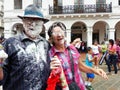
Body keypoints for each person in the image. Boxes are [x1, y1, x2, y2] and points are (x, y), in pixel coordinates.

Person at [0, 4, 51, 90]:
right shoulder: (11, 43)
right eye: (29, 20)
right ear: (23, 21)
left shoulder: (46, 44)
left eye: (37, 21)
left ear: (42, 24)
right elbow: (1, 79)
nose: (33, 24)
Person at [48, 22, 108, 90]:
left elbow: (80, 66)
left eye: (60, 31)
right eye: (55, 33)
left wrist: (95, 70)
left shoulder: (71, 48)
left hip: (79, 86)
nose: (59, 35)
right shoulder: (50, 55)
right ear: (51, 38)